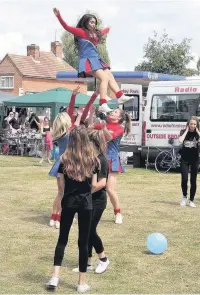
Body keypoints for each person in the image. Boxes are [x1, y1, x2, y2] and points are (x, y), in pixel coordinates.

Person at [46, 126, 100, 293]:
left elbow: (61, 186)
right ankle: (81, 283)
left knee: (62, 239)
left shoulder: (64, 158)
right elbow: (94, 185)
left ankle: (55, 277)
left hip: (68, 201)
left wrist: (66, 194)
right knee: (83, 243)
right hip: (85, 203)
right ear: (86, 140)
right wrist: (84, 193)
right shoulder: (93, 159)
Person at [53, 8, 133, 113]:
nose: (93, 24)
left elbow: (103, 32)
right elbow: (66, 27)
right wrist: (59, 16)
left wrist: (108, 28)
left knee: (109, 74)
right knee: (104, 78)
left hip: (96, 59)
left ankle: (119, 95)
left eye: (95, 22)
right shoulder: (81, 32)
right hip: (87, 61)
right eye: (91, 22)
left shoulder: (96, 33)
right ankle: (102, 103)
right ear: (86, 22)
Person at [73, 129, 109, 274]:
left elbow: (102, 183)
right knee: (83, 231)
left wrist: (87, 191)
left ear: (94, 144)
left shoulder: (101, 160)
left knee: (90, 230)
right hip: (86, 199)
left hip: (98, 201)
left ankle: (103, 259)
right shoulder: (89, 159)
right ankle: (87, 263)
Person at [93, 108, 131, 224]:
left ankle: (118, 213)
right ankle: (86, 210)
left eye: (115, 112)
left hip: (112, 160)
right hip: (99, 158)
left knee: (109, 189)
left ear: (119, 118)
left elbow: (109, 137)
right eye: (112, 111)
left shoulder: (120, 128)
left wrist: (103, 128)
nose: (111, 113)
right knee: (94, 187)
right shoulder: (105, 124)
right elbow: (90, 129)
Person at [179, 116, 200, 208]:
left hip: (195, 159)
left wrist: (198, 131)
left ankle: (191, 200)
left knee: (193, 180)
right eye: (191, 124)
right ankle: (184, 197)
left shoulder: (197, 134)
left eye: (194, 124)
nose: (193, 125)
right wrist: (187, 131)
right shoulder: (183, 132)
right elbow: (180, 140)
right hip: (184, 159)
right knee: (184, 179)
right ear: (188, 124)